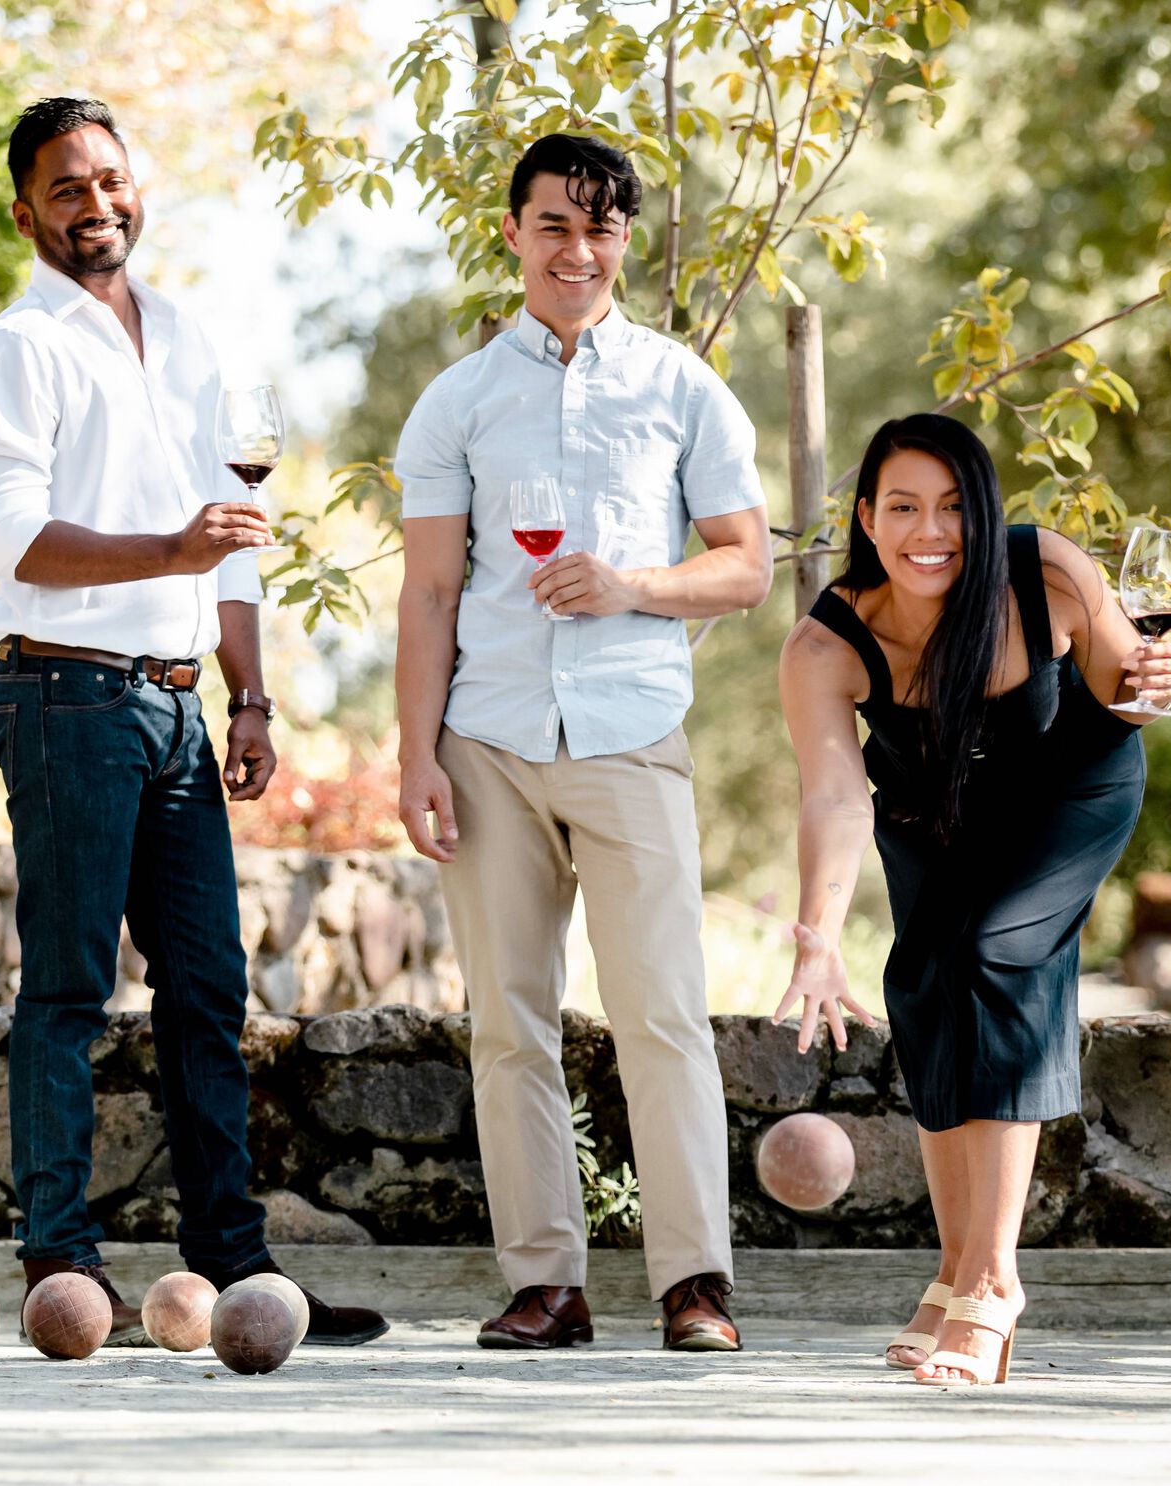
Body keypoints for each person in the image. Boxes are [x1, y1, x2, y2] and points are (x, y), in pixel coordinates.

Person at [0, 96, 386, 1346]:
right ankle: (60, 1267)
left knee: (207, 989)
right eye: (66, 188)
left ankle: (245, 1274)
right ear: (26, 210)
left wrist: (248, 694)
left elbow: (231, 542)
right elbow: (9, 538)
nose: (97, 205)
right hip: (65, 695)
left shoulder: (190, 336)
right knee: (73, 987)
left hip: (179, 704)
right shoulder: (16, 348)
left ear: (138, 187)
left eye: (110, 180)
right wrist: (168, 547)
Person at [393, 133, 772, 1352]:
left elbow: (749, 567)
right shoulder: (457, 401)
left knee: (664, 1012)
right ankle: (547, 1283)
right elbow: (432, 597)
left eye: (601, 227)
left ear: (625, 242)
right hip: (488, 741)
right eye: (555, 223)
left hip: (630, 734)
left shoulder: (682, 387)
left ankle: (692, 1283)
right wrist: (413, 759)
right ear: (512, 231)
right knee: (509, 1018)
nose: (578, 248)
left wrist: (633, 586)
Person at [775, 413, 1171, 1386]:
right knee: (923, 981)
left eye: (957, 506)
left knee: (996, 953)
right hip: (933, 810)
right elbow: (836, 796)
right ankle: (953, 1272)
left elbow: (1124, 692)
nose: (933, 531)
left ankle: (994, 1284)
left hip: (1068, 791)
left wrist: (1154, 677)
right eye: (906, 508)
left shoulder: (1042, 571)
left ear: (987, 509)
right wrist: (817, 938)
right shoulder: (825, 644)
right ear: (868, 519)